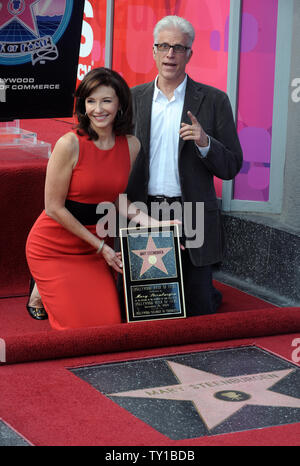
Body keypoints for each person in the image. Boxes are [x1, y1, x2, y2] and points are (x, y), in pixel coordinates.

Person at [125, 15, 243, 317]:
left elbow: (231, 166)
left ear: (190, 54)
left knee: (198, 310)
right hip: (146, 212)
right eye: (163, 46)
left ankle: (207, 291)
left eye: (179, 47)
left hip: (191, 214)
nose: (170, 54)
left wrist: (205, 142)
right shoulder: (133, 98)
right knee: (149, 309)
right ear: (153, 51)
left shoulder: (214, 100)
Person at [26, 67, 142, 330]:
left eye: (106, 100)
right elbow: (53, 208)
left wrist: (156, 224)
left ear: (121, 104)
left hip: (92, 249)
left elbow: (116, 198)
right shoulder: (69, 144)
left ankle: (42, 290)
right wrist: (102, 248)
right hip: (53, 246)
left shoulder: (131, 145)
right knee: (79, 329)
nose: (98, 109)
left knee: (108, 324)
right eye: (91, 101)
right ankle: (40, 287)